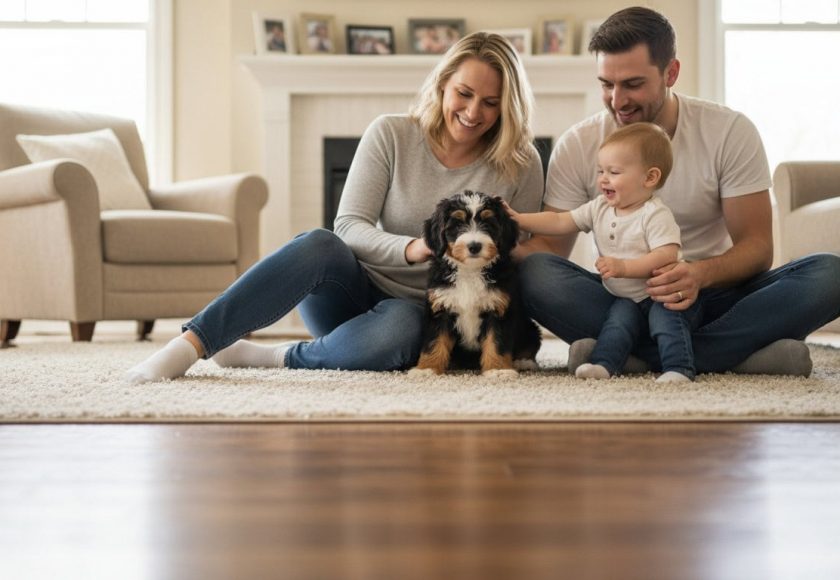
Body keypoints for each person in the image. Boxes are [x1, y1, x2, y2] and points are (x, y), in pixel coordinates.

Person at [126, 32, 544, 384]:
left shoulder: (520, 161)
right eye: (464, 94)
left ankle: (279, 356)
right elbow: (349, 226)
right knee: (319, 243)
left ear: (507, 106)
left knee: (402, 328)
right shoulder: (391, 134)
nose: (473, 112)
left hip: (420, 318)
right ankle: (191, 343)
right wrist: (411, 248)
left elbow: (515, 250)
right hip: (353, 291)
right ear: (442, 85)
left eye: (491, 103)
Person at [516, 6, 840, 377]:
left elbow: (757, 248)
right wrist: (480, 244)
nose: (617, 100)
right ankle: (739, 357)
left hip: (714, 296)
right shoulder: (578, 143)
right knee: (533, 273)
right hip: (624, 300)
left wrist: (697, 275)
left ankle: (625, 354)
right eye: (607, 84)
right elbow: (548, 252)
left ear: (671, 72)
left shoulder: (729, 131)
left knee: (830, 275)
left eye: (633, 84)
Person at [510, 122, 700, 382]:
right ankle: (604, 365)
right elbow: (559, 221)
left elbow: (666, 255)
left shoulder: (654, 214)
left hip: (659, 295)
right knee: (616, 326)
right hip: (624, 298)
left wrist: (624, 268)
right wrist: (519, 219)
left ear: (650, 178)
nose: (603, 179)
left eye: (614, 172)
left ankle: (679, 368)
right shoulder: (599, 207)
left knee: (667, 326)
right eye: (601, 171)